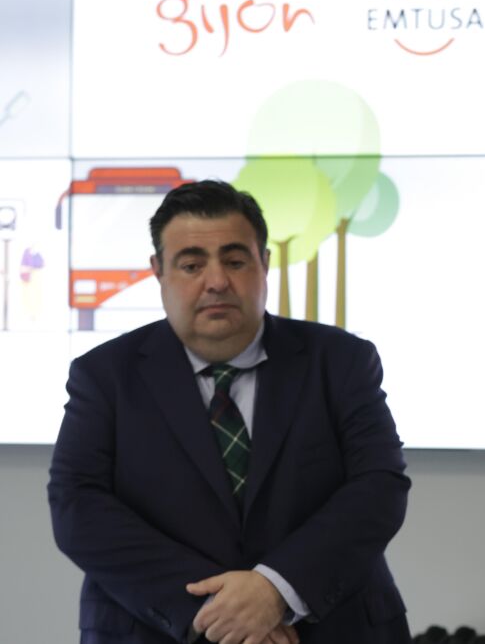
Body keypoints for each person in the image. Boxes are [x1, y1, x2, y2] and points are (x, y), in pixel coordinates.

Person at [48, 180, 412, 644]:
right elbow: (78, 506)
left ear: (265, 264)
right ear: (158, 272)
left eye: (235, 261)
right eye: (192, 264)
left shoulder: (340, 362)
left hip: (329, 628)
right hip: (158, 628)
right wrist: (221, 612)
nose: (217, 281)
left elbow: (379, 485)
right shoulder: (105, 375)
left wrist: (275, 590)